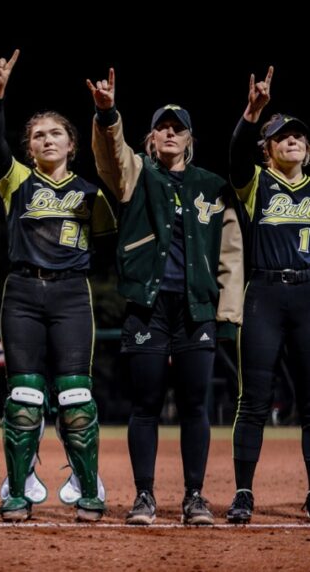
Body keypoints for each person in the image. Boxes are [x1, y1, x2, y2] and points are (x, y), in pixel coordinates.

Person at [88, 68, 243, 525]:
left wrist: (227, 311)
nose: (170, 132)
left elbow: (231, 251)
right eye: (162, 126)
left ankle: (195, 496)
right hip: (148, 307)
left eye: (178, 127)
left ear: (190, 138)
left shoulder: (212, 186)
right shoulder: (136, 174)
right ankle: (145, 496)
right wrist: (107, 114)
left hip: (196, 307)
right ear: (150, 137)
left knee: (195, 404)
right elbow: (110, 158)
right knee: (146, 404)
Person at [0, 50, 116, 522]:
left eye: (55, 132)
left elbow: (105, 247)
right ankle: (17, 488)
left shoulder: (90, 193)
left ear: (71, 143)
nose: (46, 139)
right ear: (29, 147)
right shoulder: (16, 181)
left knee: (76, 396)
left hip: (70, 295)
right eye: (38, 134)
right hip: (21, 292)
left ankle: (87, 484)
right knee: (23, 397)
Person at [227, 66, 310, 523]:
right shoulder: (257, 183)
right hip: (264, 293)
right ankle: (243, 492)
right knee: (254, 399)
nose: (292, 140)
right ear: (269, 150)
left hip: (307, 296)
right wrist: (252, 113)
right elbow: (237, 156)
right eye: (282, 136)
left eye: (298, 136)